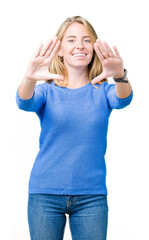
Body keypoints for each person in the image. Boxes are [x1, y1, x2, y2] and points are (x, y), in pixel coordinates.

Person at [16, 16, 133, 240]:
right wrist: (29, 77)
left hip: (91, 197)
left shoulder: (104, 90)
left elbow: (124, 99)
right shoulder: (47, 91)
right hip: (45, 194)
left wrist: (120, 75)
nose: (79, 45)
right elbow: (24, 101)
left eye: (86, 40)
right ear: (59, 49)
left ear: (94, 47)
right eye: (71, 40)